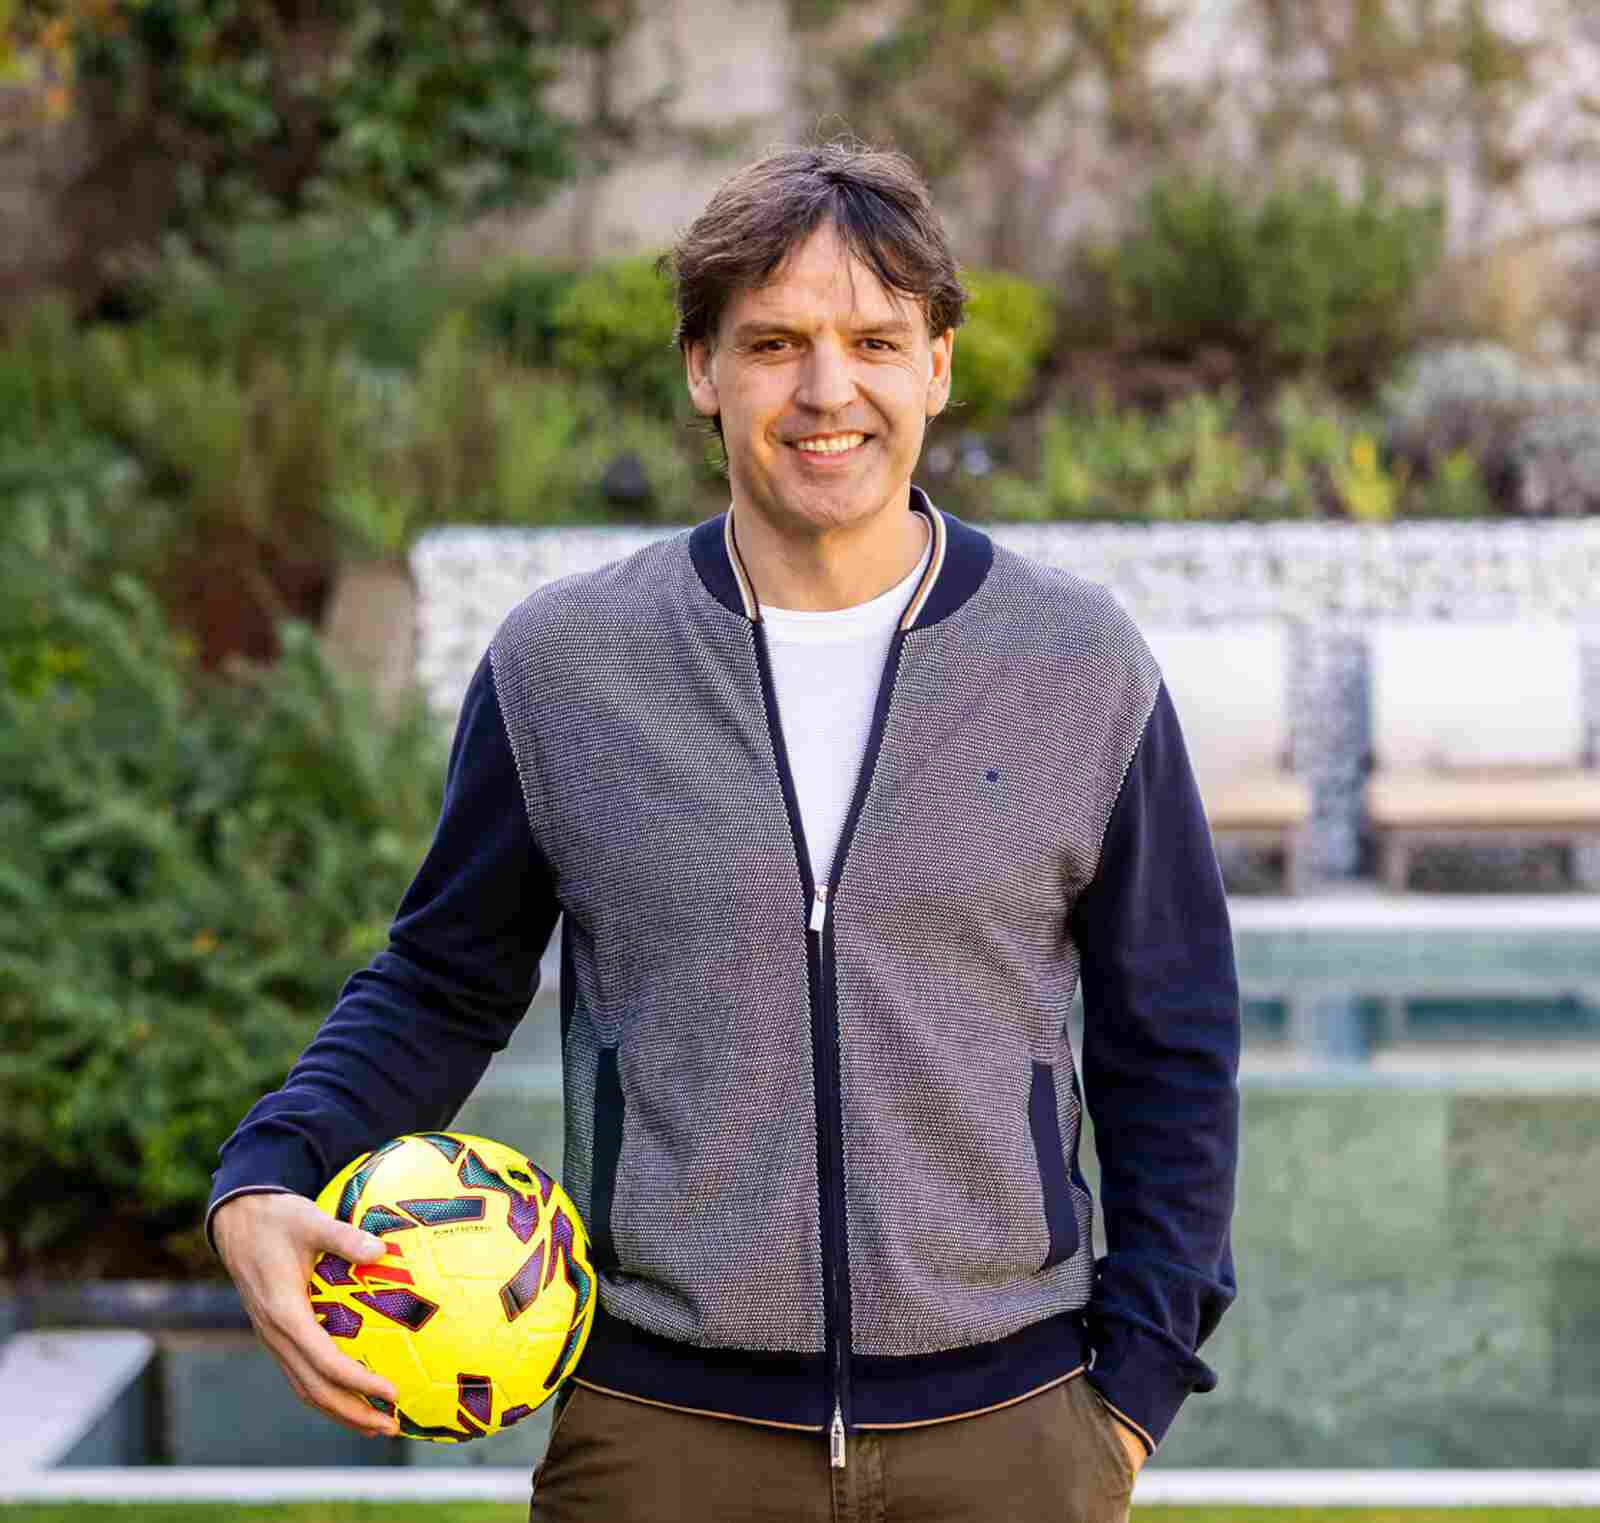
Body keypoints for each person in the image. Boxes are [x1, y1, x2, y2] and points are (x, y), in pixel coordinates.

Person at [208, 140, 1240, 1523]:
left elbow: (1168, 1035)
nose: (829, 390)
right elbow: (443, 981)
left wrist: (1131, 1399)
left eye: (876, 339)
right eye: (775, 343)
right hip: (657, 1437)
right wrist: (268, 1171)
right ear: (704, 369)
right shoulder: (567, 666)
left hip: (1008, 1431)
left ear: (938, 363)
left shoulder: (1079, 667)